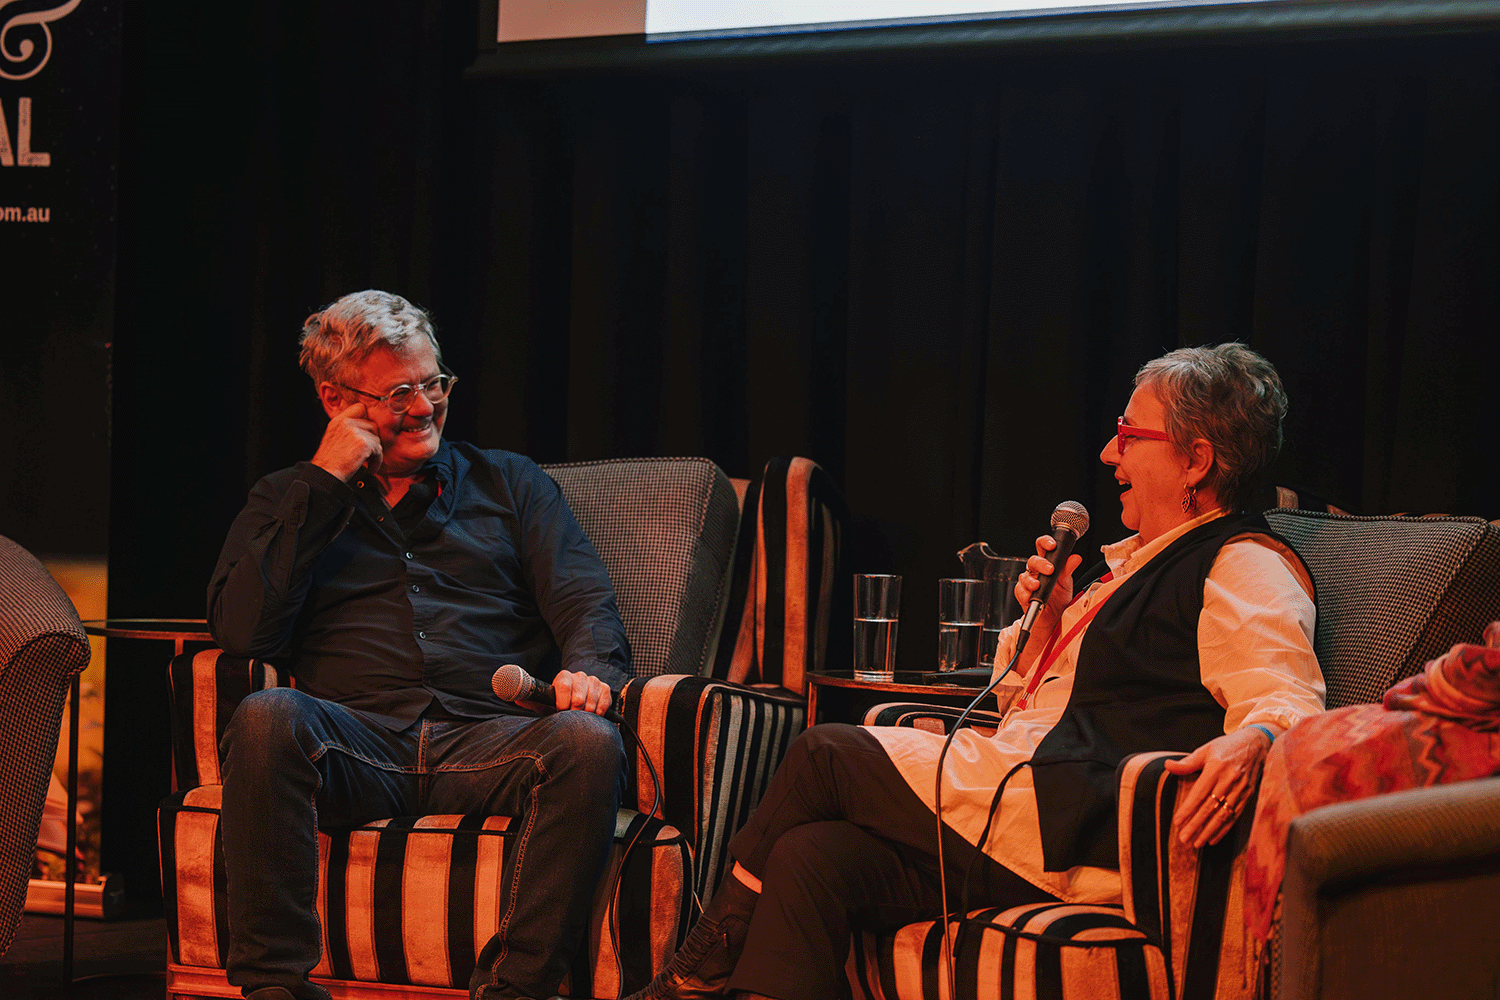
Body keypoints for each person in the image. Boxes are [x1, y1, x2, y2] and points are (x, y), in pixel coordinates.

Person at [627, 343, 1326, 1000]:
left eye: (1128, 433)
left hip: (1075, 829)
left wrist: (1257, 740)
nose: (1109, 452)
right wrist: (1046, 627)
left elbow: (1287, 701)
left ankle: (692, 976)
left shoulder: (1242, 563)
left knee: (823, 755)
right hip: (1022, 799)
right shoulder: (1129, 567)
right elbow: (1025, 703)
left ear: (1196, 460)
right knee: (813, 857)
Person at [208, 290, 630, 1000]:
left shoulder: (511, 483)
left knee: (588, 743)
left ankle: (514, 990)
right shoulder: (286, 498)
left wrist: (588, 671)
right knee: (267, 717)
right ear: (335, 399)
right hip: (354, 742)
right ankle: (276, 988)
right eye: (399, 392)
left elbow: (584, 599)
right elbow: (243, 630)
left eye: (434, 383)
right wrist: (323, 482)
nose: (425, 407)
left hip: (489, 739)